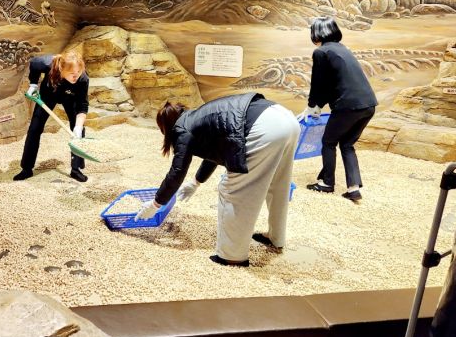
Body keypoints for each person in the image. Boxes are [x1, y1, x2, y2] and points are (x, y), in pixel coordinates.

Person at [136, 93, 300, 267]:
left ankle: (232, 256)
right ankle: (276, 237)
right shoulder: (197, 117)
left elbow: (177, 171)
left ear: (166, 127)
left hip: (264, 128)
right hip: (285, 118)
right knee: (278, 184)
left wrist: (155, 204)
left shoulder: (181, 129)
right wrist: (196, 182)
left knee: (233, 192)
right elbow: (216, 153)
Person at [298, 16, 377, 203]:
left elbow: (318, 84)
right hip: (368, 105)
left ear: (317, 33)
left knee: (328, 142)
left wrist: (311, 106)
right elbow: (334, 85)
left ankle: (327, 184)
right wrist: (317, 106)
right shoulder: (343, 49)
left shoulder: (321, 52)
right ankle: (353, 189)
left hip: (347, 107)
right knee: (347, 144)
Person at [13, 51, 89, 183]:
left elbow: (82, 106)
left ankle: (76, 169)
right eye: (72, 73)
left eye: (78, 72)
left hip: (70, 98)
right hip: (48, 94)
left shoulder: (82, 79)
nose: (75, 76)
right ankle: (26, 168)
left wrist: (78, 126)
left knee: (78, 131)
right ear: (62, 69)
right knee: (34, 128)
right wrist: (33, 84)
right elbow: (34, 63)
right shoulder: (49, 64)